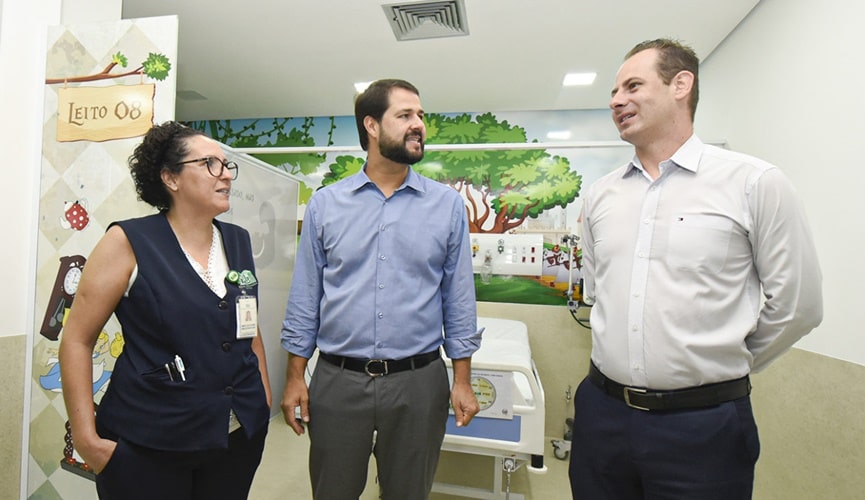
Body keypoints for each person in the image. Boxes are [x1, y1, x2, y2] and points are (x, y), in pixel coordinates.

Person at [569, 39, 823, 499]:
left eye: (632, 85)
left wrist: (720, 365)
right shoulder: (600, 196)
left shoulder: (754, 183)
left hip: (702, 426)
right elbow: (597, 291)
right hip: (602, 416)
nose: (616, 100)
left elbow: (798, 307)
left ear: (680, 85)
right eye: (613, 92)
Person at [280, 78, 481, 500]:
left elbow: (458, 299)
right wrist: (294, 376)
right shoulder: (326, 205)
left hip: (419, 381)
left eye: (421, 116)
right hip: (338, 380)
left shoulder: (445, 207)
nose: (419, 125)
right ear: (371, 126)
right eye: (405, 115)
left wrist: (462, 380)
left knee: (409, 493)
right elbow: (305, 298)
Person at [59, 121, 272, 500]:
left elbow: (247, 328)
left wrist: (263, 402)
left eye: (226, 166)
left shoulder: (237, 241)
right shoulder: (127, 241)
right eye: (210, 164)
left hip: (235, 438)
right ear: (170, 178)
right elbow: (77, 339)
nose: (225, 175)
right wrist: (88, 440)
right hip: (148, 445)